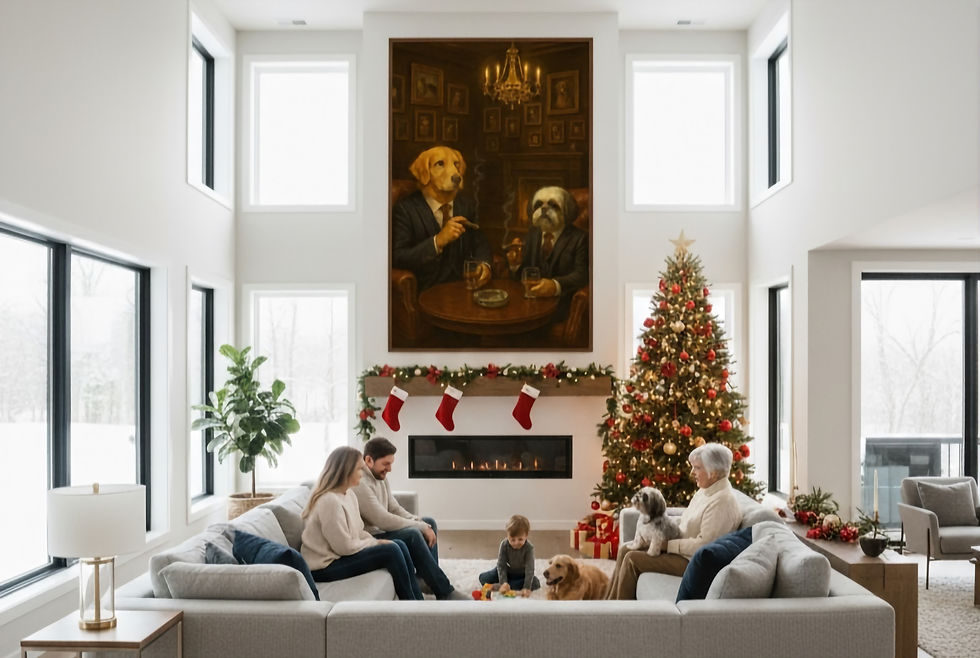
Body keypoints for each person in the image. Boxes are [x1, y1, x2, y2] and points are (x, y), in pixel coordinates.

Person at [605, 443, 742, 600]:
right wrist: (657, 531)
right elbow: (684, 522)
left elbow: (704, 546)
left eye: (697, 468)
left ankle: (618, 615)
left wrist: (667, 545)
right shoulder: (705, 491)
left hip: (691, 562)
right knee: (625, 549)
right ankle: (607, 604)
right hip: (681, 550)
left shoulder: (722, 502)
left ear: (714, 472)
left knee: (632, 559)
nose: (692, 472)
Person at [352, 437, 470, 600]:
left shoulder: (380, 477)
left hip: (383, 530)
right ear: (369, 460)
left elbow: (394, 508)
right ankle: (445, 591)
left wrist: (420, 523)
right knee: (414, 534)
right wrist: (419, 527)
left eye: (391, 464)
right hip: (372, 536)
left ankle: (426, 580)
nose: (390, 469)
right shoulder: (360, 483)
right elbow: (382, 519)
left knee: (429, 522)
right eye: (386, 464)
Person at [301, 446, 422, 600]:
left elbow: (359, 532)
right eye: (359, 469)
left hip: (339, 556)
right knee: (391, 550)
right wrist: (375, 544)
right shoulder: (329, 501)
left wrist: (375, 541)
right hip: (323, 567)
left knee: (399, 545)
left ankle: (420, 604)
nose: (363, 473)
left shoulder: (349, 494)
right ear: (347, 470)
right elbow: (343, 547)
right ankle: (412, 607)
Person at [392, 146, 492, 291]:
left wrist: (485, 264)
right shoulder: (405, 209)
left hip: (466, 287)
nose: (455, 174)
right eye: (440, 164)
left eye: (456, 164)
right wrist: (437, 241)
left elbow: (481, 242)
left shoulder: (467, 206)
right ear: (424, 173)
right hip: (428, 292)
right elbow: (398, 258)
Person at [478, 514, 540, 597]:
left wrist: (526, 587)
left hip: (522, 574)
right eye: (512, 539)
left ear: (526, 535)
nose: (516, 543)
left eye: (520, 539)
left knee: (535, 583)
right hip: (507, 571)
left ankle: (500, 587)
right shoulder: (504, 545)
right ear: (507, 535)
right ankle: (505, 586)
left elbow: (530, 569)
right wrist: (504, 582)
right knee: (483, 578)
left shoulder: (529, 548)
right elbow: (501, 565)